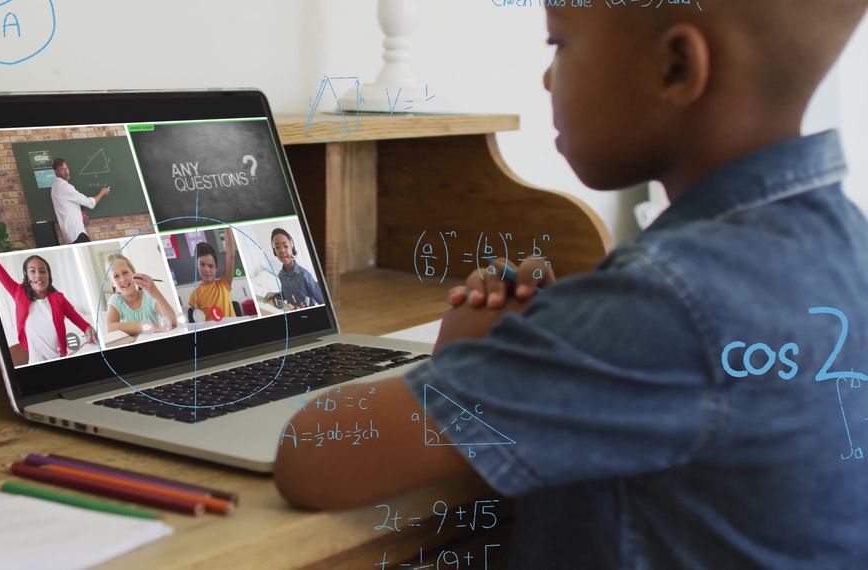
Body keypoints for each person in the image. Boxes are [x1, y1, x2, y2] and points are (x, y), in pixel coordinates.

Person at [274, 1, 868, 568]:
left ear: (676, 67)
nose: (545, 78)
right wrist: (559, 339)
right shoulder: (844, 244)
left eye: (560, 43)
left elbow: (313, 454)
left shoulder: (668, 300)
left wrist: (483, 355)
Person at [0, 255, 97, 364]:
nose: (38, 275)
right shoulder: (18, 292)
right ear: (26, 274)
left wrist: (90, 332)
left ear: (48, 275)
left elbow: (82, 323)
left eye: (42, 271)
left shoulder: (59, 298)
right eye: (33, 271)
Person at [105, 253, 178, 336]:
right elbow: (110, 328)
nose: (122, 279)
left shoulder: (148, 296)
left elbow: (172, 322)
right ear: (112, 283)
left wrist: (154, 291)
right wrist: (151, 327)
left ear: (134, 273)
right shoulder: (116, 300)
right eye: (116, 276)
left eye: (125, 272)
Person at [50, 158, 110, 244]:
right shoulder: (65, 187)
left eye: (66, 168)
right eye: (62, 170)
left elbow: (66, 206)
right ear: (56, 172)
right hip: (77, 234)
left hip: (69, 235)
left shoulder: (54, 187)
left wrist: (78, 213)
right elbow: (90, 203)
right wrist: (102, 192)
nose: (66, 172)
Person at [189, 228, 236, 320]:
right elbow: (200, 322)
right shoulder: (194, 296)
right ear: (196, 264)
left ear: (216, 268)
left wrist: (227, 227)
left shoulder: (224, 283)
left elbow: (231, 255)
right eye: (202, 264)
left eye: (211, 266)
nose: (206, 269)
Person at [271, 228, 323, 309]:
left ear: (292, 248)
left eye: (285, 246)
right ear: (275, 252)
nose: (281, 250)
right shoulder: (281, 275)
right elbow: (285, 294)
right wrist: (274, 295)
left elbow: (321, 301)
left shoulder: (304, 275)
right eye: (277, 247)